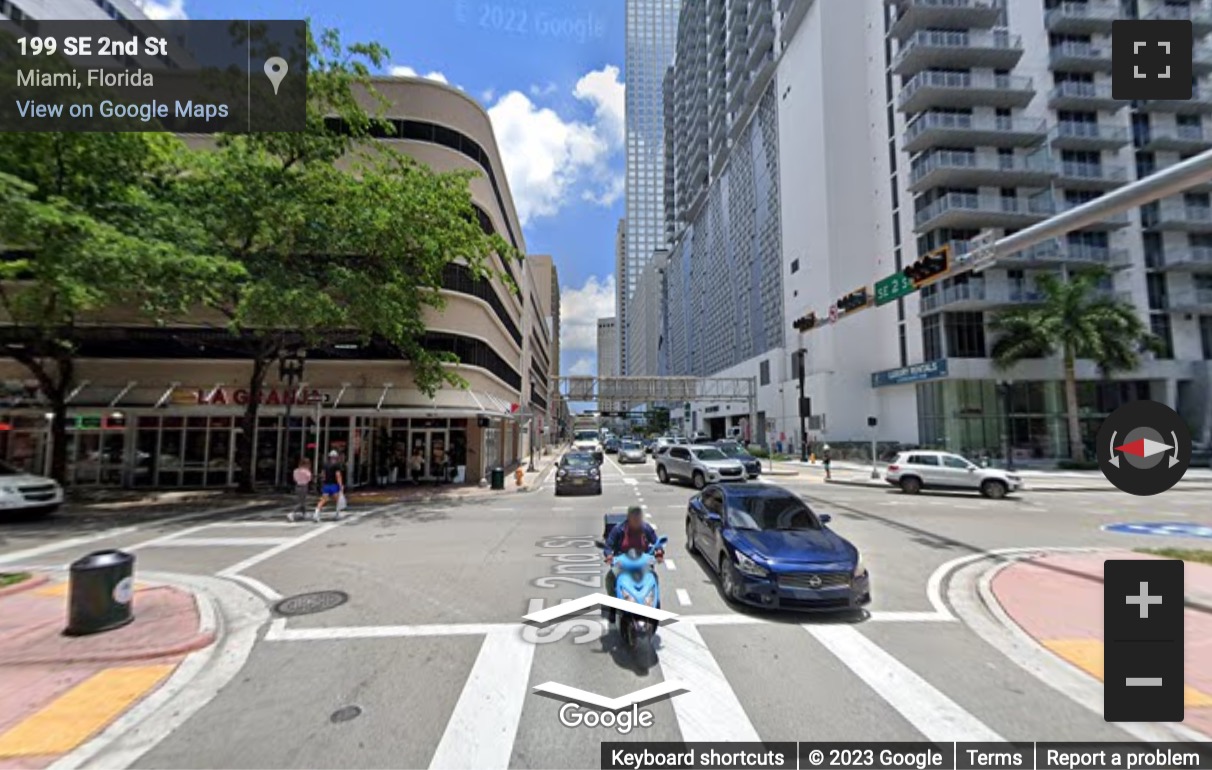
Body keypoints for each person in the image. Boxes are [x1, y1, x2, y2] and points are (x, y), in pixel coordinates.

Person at [602, 506, 663, 622]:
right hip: (623, 562)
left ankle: (654, 602)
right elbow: (608, 545)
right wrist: (609, 555)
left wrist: (659, 551)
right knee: (610, 579)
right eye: (633, 517)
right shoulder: (618, 529)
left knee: (654, 578)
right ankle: (613, 607)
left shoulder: (646, 528)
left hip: (643, 560)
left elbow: (656, 542)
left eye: (638, 517)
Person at [314, 450, 344, 522]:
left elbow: (323, 475)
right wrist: (341, 485)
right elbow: (338, 475)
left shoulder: (325, 464)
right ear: (336, 457)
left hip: (326, 485)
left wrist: (322, 482)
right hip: (334, 485)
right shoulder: (337, 465)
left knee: (323, 499)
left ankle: (316, 513)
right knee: (337, 500)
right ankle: (337, 514)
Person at [288, 457, 312, 522]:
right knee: (301, 502)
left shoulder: (295, 471)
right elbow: (309, 479)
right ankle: (292, 513)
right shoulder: (307, 471)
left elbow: (294, 479)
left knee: (301, 500)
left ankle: (304, 513)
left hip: (297, 486)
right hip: (304, 486)